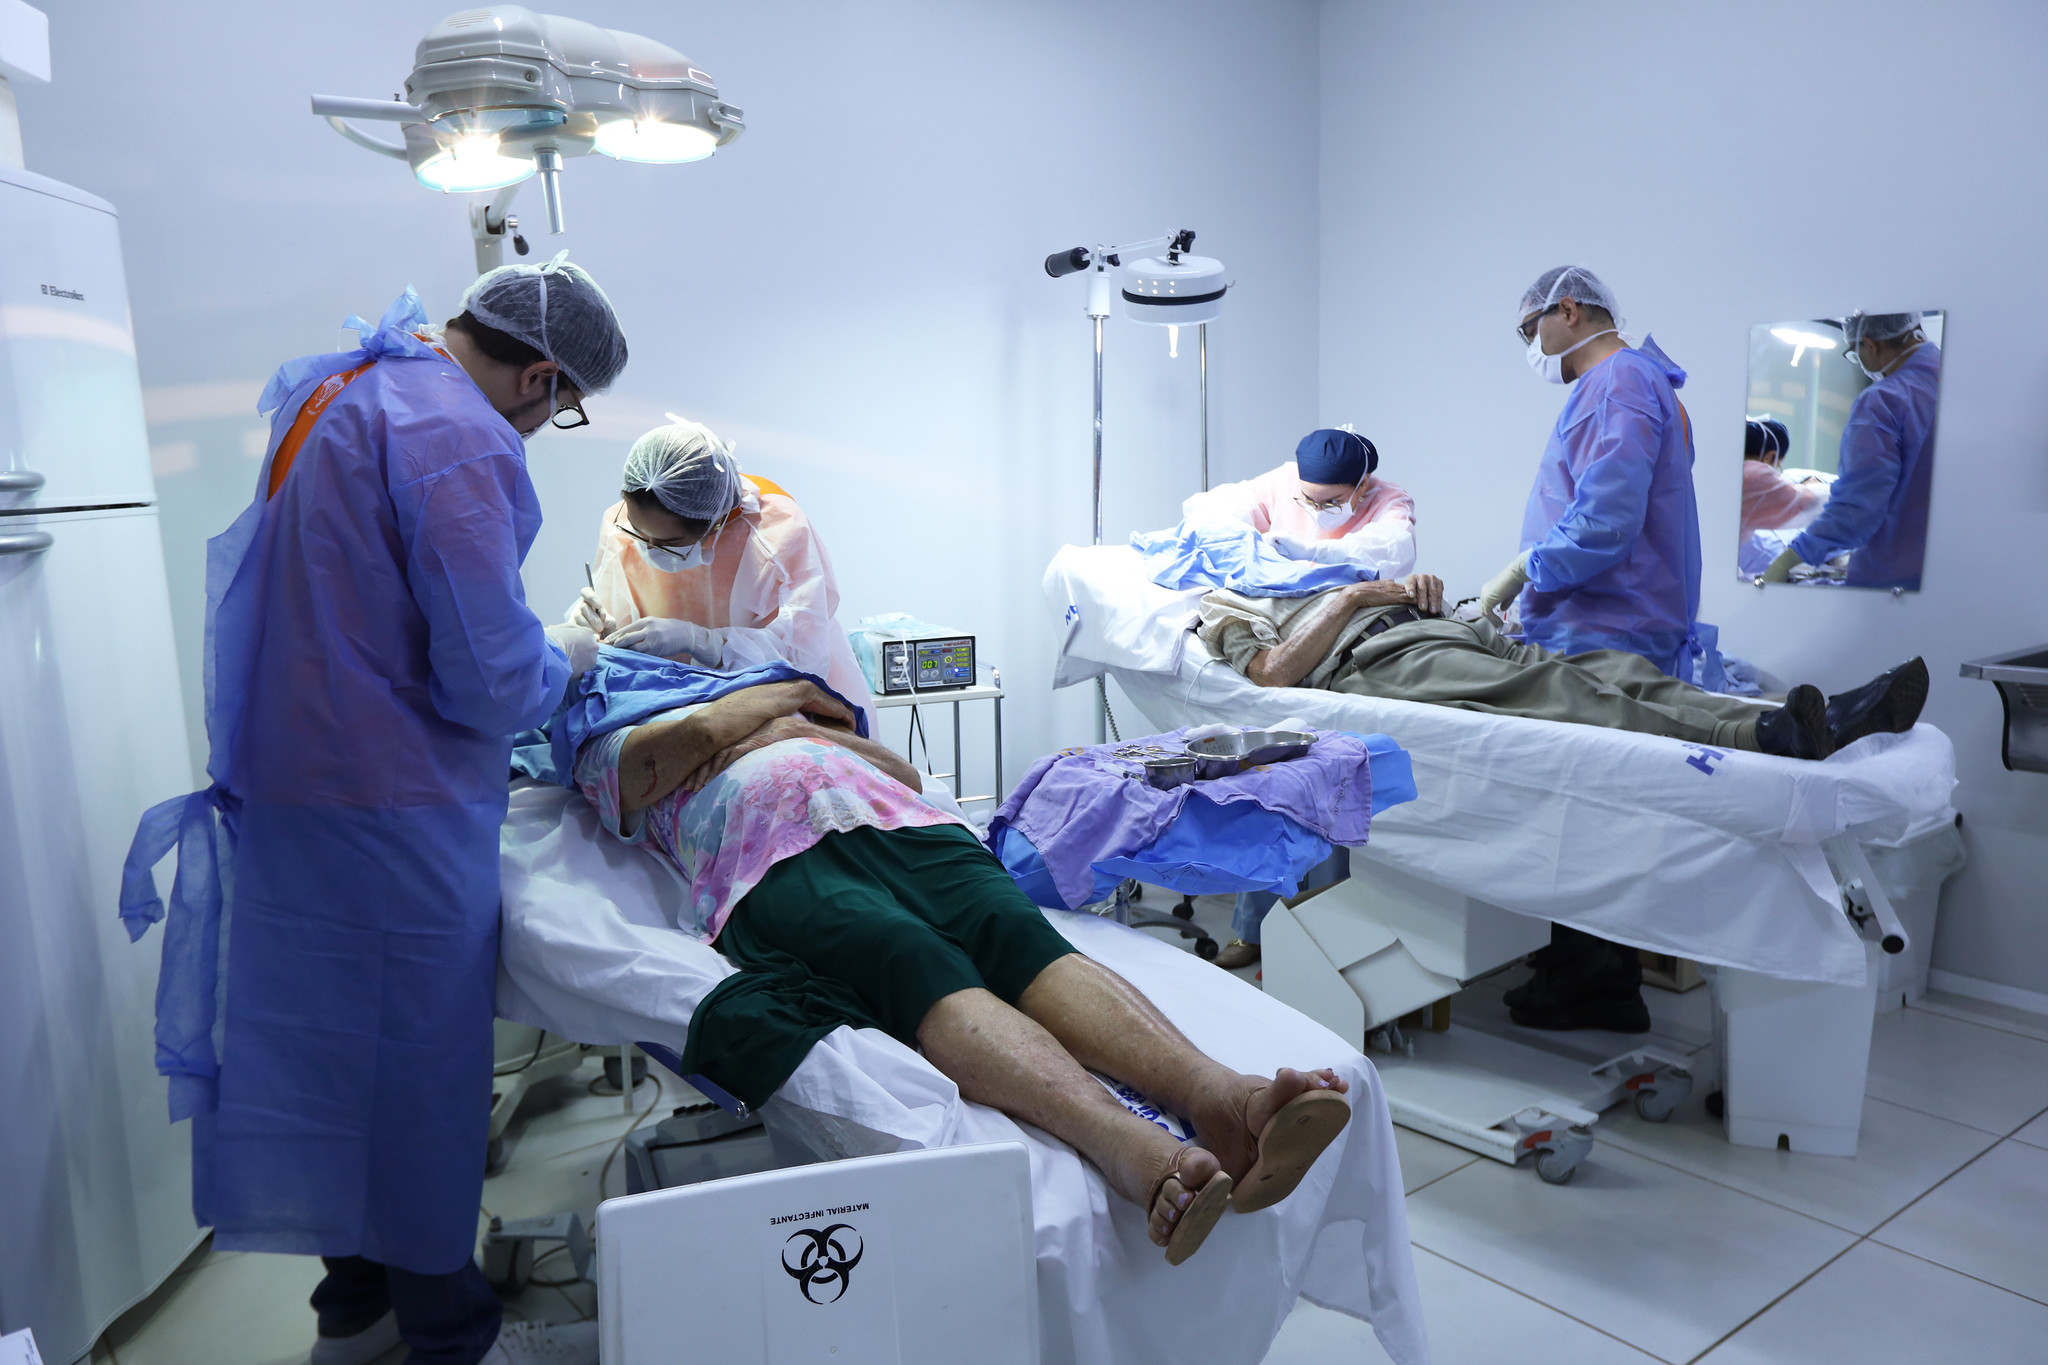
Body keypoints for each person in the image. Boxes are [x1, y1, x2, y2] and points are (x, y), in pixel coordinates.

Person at [122, 256, 627, 1365]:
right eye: (563, 408)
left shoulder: (342, 389)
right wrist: (568, 657)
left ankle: (355, 1312)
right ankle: (450, 1336)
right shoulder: (459, 438)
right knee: (411, 1079)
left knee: (327, 1062)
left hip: (296, 792)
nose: (548, 425)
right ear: (540, 378)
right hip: (391, 809)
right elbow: (488, 679)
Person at [563, 663, 1355, 1264]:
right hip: (765, 859)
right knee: (907, 956)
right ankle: (1130, 1146)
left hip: (908, 824)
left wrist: (791, 720)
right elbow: (654, 762)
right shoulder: (606, 720)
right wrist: (774, 708)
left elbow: (902, 775)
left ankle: (1225, 1099)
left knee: (1017, 932)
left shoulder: (784, 692)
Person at [1196, 574, 1929, 1016]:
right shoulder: (1223, 606)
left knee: (1616, 671)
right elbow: (1272, 673)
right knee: (1565, 695)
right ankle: (1760, 741)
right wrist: (1359, 596)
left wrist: (1414, 591)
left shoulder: (1317, 569)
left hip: (1447, 631)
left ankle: (1813, 721)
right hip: (1379, 661)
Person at [566, 418, 877, 730]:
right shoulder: (626, 517)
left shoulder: (774, 533)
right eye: (638, 533)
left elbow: (802, 656)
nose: (648, 548)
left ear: (714, 523)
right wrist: (596, 623)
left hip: (769, 697)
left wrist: (703, 642)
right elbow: (619, 611)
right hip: (666, 702)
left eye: (668, 543)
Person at [1478, 267, 1702, 678]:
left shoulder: (1620, 382)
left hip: (1604, 636)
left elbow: (1606, 519)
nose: (1532, 348)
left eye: (1530, 331)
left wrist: (1526, 568)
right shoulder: (1639, 379)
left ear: (1568, 310)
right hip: (1616, 630)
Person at [1763, 312, 1940, 591]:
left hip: (1892, 581)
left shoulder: (1885, 401)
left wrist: (1789, 560)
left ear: (1870, 345)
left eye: (1855, 354)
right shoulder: (1961, 383)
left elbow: (1857, 507)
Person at [1181, 427, 1417, 579]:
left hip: (1348, 601)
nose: (1317, 510)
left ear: (1362, 484)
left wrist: (1312, 552)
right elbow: (1214, 509)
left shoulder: (1389, 499)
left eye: (1332, 502)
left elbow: (1393, 550)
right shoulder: (1286, 479)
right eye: (1308, 499)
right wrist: (1250, 544)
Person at [1739, 417, 1828, 577]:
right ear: (1769, 457)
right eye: (1777, 464)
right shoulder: (1754, 474)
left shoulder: (1731, 468)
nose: (1777, 471)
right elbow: (1813, 503)